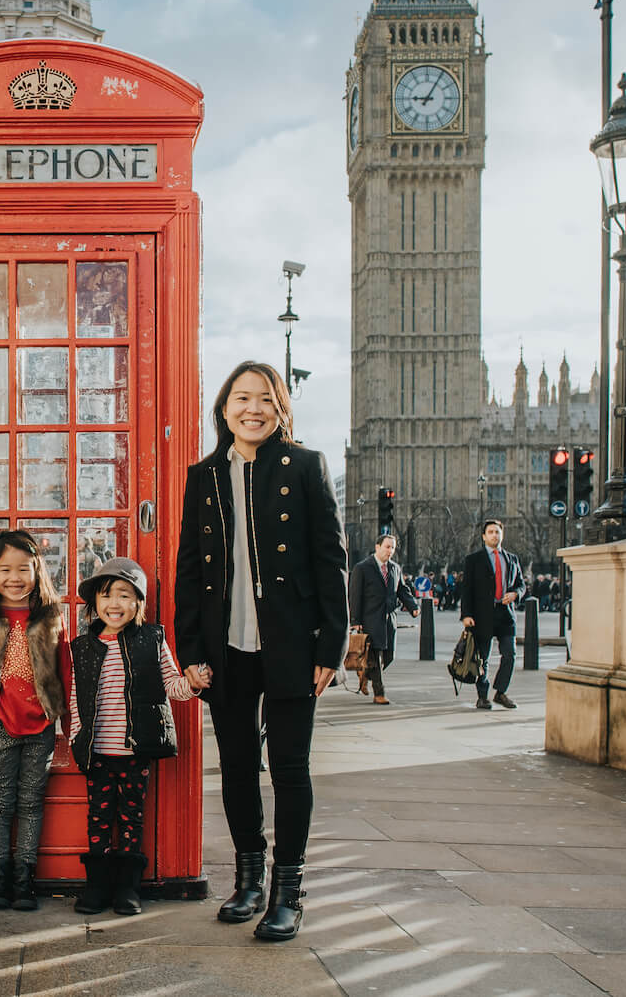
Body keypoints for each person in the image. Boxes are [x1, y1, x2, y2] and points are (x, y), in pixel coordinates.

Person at [174, 361, 350, 942]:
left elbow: (331, 560)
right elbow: (188, 575)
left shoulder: (304, 467)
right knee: (239, 768)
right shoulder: (202, 477)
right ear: (224, 408)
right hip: (226, 648)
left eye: (265, 400)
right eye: (241, 398)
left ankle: (287, 891)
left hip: (291, 645)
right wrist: (190, 651)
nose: (253, 409)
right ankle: (248, 877)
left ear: (280, 410)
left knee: (291, 768)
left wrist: (332, 643)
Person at [0, 529, 72, 912]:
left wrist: (70, 723)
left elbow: (65, 670)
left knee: (32, 803)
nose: (14, 578)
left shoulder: (51, 615)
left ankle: (25, 880)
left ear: (39, 571)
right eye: (4, 569)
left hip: (40, 725)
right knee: (1, 802)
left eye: (24, 569)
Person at [69, 558, 192, 917]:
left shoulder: (152, 640)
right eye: (106, 596)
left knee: (132, 817)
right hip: (98, 751)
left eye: (124, 595)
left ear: (138, 602)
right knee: (99, 819)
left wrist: (193, 684)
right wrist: (78, 736)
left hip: (135, 750)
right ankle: (96, 886)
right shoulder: (84, 647)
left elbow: (172, 685)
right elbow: (78, 698)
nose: (115, 604)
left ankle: (127, 887)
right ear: (95, 604)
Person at [456, 518, 526, 710]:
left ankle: (501, 692)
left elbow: (521, 584)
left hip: (505, 614)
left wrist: (515, 594)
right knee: (482, 658)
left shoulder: (511, 559)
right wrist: (466, 615)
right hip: (482, 615)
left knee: (510, 655)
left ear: (502, 535)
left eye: (497, 532)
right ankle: (482, 696)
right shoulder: (474, 560)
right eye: (491, 532)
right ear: (484, 536)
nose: (495, 535)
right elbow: (467, 589)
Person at [348, 533, 416, 705]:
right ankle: (379, 693)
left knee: (388, 655)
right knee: (374, 656)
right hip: (370, 619)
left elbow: (402, 589)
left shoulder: (395, 568)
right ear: (377, 547)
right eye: (387, 546)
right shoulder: (362, 568)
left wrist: (413, 606)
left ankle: (365, 674)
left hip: (389, 619)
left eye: (393, 547)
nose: (390, 551)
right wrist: (355, 620)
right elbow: (355, 595)